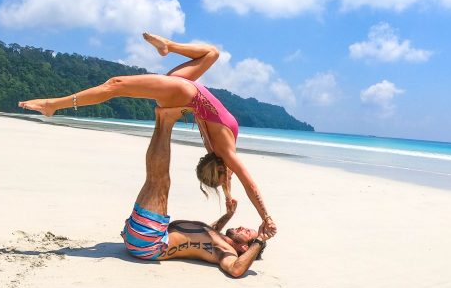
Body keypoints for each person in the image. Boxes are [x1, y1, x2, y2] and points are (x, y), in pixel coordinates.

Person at [19, 32, 277, 238]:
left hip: (184, 93)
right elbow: (248, 184)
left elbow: (234, 179)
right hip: (185, 90)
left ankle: (53, 105)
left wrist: (232, 199)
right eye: (224, 179)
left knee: (116, 84)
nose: (228, 178)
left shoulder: (222, 150)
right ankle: (167, 46)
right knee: (211, 54)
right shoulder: (223, 152)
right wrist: (265, 216)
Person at [121, 107, 273, 278]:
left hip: (150, 242)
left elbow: (235, 270)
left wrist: (261, 239)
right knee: (155, 179)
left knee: (159, 180)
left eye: (247, 232)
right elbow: (208, 232)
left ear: (245, 248)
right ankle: (163, 119)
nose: (243, 227)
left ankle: (165, 120)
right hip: (144, 238)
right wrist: (228, 215)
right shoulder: (217, 240)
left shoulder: (226, 252)